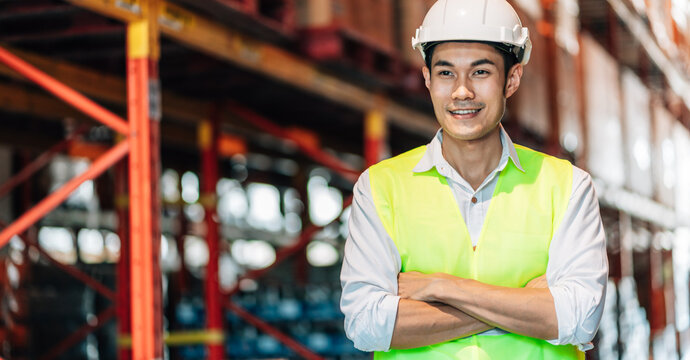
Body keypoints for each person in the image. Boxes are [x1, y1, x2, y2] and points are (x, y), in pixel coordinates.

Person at [339, 0, 608, 359]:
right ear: (427, 79)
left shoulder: (568, 187)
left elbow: (579, 318)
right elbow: (366, 324)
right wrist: (529, 307)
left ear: (511, 79)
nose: (461, 91)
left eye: (481, 72)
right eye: (446, 73)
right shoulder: (379, 187)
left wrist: (441, 287)